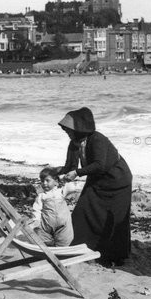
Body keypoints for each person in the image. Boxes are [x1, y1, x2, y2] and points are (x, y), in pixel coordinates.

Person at [58, 107, 132, 266]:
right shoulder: (74, 143)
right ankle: (78, 247)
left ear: (79, 128)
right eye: (66, 130)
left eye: (69, 130)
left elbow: (100, 165)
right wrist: (55, 173)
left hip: (118, 180)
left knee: (115, 219)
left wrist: (77, 173)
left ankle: (114, 256)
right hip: (97, 179)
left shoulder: (98, 139)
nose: (67, 132)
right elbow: (69, 166)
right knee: (83, 210)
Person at [31, 167, 73, 247]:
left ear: (56, 182)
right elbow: (36, 209)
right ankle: (49, 248)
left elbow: (71, 187)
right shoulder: (41, 196)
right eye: (42, 181)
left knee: (65, 238)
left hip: (62, 224)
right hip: (47, 224)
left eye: (47, 180)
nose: (44, 183)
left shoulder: (61, 192)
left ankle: (60, 250)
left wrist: (63, 178)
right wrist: (36, 219)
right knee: (40, 234)